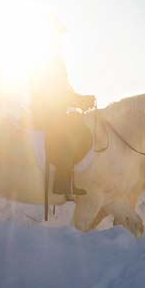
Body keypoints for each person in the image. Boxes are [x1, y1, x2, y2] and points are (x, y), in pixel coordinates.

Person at [29, 28, 95, 200]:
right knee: (68, 131)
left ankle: (69, 178)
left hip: (53, 107)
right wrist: (79, 101)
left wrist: (81, 99)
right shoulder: (46, 59)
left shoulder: (54, 59)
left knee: (78, 125)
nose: (58, 38)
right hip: (45, 109)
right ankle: (61, 182)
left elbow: (65, 90)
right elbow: (55, 91)